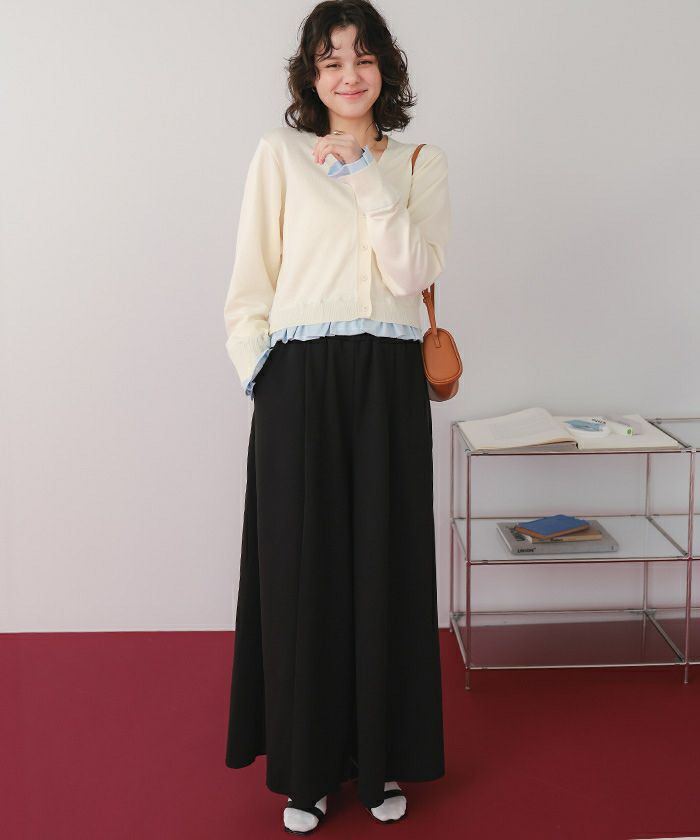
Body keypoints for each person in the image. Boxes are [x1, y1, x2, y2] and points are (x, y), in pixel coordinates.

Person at [223, 0, 451, 833]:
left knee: (385, 567)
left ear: (384, 67)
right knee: (303, 573)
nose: (348, 75)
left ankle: (380, 759)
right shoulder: (279, 154)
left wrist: (362, 176)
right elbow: (250, 281)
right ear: (310, 76)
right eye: (330, 61)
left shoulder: (419, 162)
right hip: (301, 379)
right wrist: (263, 374)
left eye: (362, 57)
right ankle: (308, 771)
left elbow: (412, 273)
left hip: (389, 378)